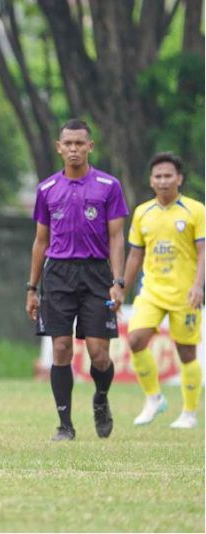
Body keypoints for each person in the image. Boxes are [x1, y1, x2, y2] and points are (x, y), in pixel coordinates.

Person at [25, 118, 128, 441]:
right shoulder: (46, 189)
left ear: (90, 146)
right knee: (60, 348)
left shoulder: (109, 186)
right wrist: (31, 288)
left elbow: (116, 237)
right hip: (58, 275)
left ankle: (100, 399)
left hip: (97, 274)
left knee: (99, 353)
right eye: (67, 143)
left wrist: (118, 281)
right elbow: (40, 241)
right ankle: (65, 425)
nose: (73, 149)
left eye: (79, 143)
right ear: (59, 147)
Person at [124, 152, 204, 429]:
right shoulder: (142, 213)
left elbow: (203, 251)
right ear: (151, 181)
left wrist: (198, 286)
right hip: (152, 292)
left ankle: (190, 413)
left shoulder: (195, 210)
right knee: (135, 340)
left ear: (179, 178)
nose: (163, 180)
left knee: (186, 352)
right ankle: (154, 398)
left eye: (168, 175)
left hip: (185, 294)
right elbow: (135, 255)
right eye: (158, 176)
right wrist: (121, 288)